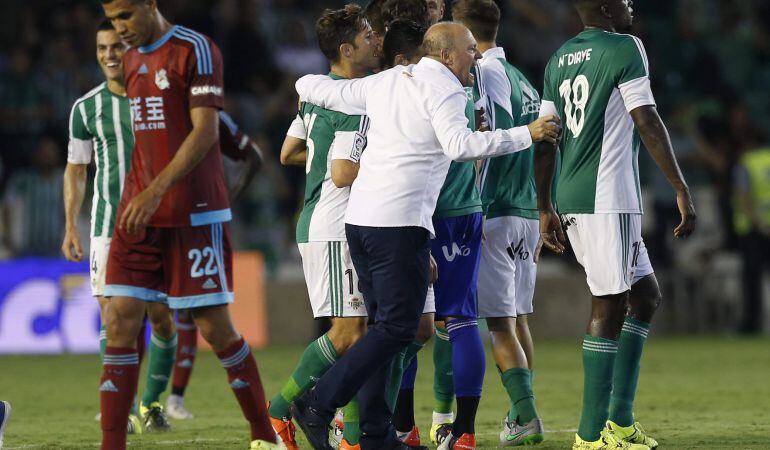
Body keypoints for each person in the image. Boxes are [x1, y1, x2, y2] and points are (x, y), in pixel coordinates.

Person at [291, 21, 560, 450]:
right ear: (447, 55)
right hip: (400, 224)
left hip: (361, 224)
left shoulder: (388, 80)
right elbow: (460, 145)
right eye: (471, 49)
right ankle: (319, 402)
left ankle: (377, 434)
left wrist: (304, 82)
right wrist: (526, 134)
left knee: (389, 327)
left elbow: (318, 89)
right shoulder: (447, 90)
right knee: (399, 330)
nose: (478, 56)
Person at [97, 1, 276, 449]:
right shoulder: (132, 58)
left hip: (191, 213)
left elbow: (204, 132)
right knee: (119, 319)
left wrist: (158, 190)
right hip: (138, 214)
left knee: (215, 329)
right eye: (112, 18)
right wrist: (144, 194)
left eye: (125, 16)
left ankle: (264, 434)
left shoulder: (195, 48)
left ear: (149, 5)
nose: (120, 29)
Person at [535, 1, 696, 449]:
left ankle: (621, 422)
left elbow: (546, 137)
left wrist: (545, 205)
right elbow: (645, 118)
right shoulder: (626, 47)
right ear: (605, 8)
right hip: (607, 197)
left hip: (571, 196)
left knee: (645, 296)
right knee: (609, 305)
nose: (632, 6)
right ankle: (590, 436)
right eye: (624, 0)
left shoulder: (559, 58)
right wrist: (680, 186)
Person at [271, 5, 381, 450]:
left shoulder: (319, 96)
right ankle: (282, 409)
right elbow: (342, 171)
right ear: (346, 48)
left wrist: (320, 165)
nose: (376, 39)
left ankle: (349, 436)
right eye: (368, 34)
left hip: (328, 221)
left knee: (355, 332)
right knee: (350, 332)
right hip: (334, 224)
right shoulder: (352, 102)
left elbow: (289, 152)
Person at [454, 0, 545, 445]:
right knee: (518, 319)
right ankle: (520, 411)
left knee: (498, 324)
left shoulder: (485, 74)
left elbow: (486, 136)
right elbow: (546, 142)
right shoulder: (523, 78)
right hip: (525, 210)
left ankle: (526, 417)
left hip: (495, 209)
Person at [166, 112, 263, 420]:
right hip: (153, 222)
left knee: (202, 321)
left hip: (199, 224)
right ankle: (149, 404)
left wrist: (228, 196)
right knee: (135, 316)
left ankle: (172, 400)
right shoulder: (144, 108)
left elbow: (254, 157)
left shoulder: (210, 113)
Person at [2, 136, 65, 257]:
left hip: (56, 249)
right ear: (36, 155)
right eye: (43, 152)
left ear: (57, 155)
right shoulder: (23, 180)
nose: (47, 156)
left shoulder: (63, 180)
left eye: (51, 152)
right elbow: (7, 206)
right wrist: (7, 236)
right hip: (28, 249)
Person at [732, 145, 770, 334]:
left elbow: (743, 196)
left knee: (752, 281)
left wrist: (758, 222)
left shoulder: (746, 164)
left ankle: (751, 325)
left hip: (753, 231)